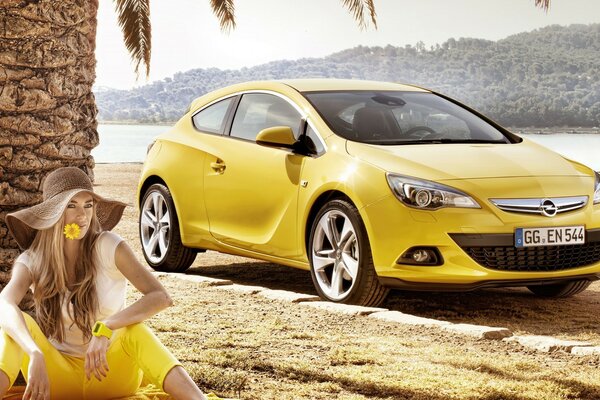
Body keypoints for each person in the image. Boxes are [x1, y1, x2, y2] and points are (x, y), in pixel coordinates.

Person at [0, 167, 213, 400]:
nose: (82, 215)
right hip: (58, 379)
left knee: (134, 329)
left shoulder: (109, 246)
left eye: (88, 205)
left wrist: (107, 327)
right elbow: (4, 303)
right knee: (14, 327)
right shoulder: (33, 259)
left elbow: (160, 297)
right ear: (53, 212)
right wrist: (34, 352)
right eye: (71, 205)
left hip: (108, 372)